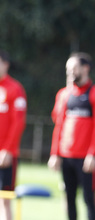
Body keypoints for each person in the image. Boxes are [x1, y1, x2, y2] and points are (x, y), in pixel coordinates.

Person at [48, 52, 95, 220]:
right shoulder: (63, 95)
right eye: (68, 69)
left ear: (86, 68)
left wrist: (93, 154)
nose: (70, 72)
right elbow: (58, 125)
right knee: (69, 197)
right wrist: (55, 153)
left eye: (74, 68)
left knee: (89, 198)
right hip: (66, 157)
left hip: (86, 158)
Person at [0, 49, 27, 220]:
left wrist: (8, 150)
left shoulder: (15, 89)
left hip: (5, 155)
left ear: (6, 64)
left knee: (4, 199)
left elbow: (18, 123)